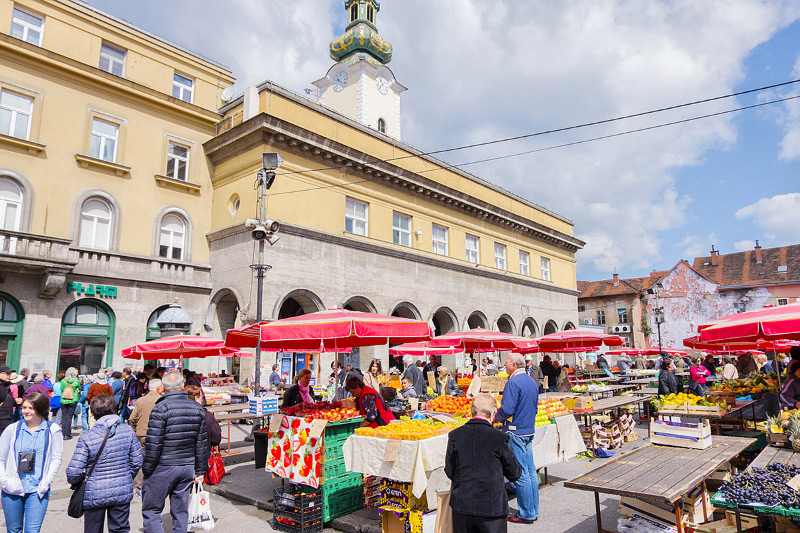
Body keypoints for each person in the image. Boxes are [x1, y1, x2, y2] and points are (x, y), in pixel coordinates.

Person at [141, 372, 208, 533]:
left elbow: (154, 444)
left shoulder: (161, 408)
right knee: (180, 511)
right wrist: (199, 470)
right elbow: (202, 444)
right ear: (182, 386)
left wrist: (147, 468)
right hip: (186, 466)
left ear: (162, 387)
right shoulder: (197, 408)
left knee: (152, 510)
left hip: (164, 465)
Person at [445, 393, 521, 533]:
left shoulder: (455, 435)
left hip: (462, 506)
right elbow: (514, 473)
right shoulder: (499, 438)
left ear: (471, 412)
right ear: (493, 414)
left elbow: (450, 470)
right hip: (491, 508)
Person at [66, 394, 141, 532]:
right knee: (120, 529)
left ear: (93, 413)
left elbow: (74, 471)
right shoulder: (127, 431)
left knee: (93, 529)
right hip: (121, 489)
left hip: (94, 491)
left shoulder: (87, 437)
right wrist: (125, 476)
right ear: (114, 409)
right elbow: (137, 461)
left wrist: (79, 481)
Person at [0, 392, 62, 533]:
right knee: (13, 530)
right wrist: (4, 481)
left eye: (30, 408)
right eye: (24, 408)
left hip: (37, 489)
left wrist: (46, 482)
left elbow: (56, 458)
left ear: (40, 409)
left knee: (32, 530)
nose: (26, 411)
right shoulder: (13, 429)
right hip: (12, 488)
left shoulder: (52, 430)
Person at [494, 353, 539, 524]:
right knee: (530, 472)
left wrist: (495, 417)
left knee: (520, 474)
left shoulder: (513, 382)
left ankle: (526, 513)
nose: (504, 365)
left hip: (516, 431)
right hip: (528, 430)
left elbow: (506, 409)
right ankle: (533, 510)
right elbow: (534, 407)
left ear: (513, 364)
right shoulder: (531, 381)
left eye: (506, 363)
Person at [128, 379, 163, 496]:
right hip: (158, 435)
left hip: (142, 434)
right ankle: (155, 486)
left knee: (141, 461)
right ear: (158, 388)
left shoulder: (141, 400)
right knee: (157, 460)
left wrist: (135, 430)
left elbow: (132, 419)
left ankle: (140, 487)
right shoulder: (162, 400)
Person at [185, 386, 221, 458]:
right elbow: (216, 437)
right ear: (196, 398)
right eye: (201, 396)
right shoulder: (207, 415)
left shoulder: (174, 414)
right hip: (202, 457)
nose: (202, 398)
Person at [58, 368, 81, 441]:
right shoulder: (76, 381)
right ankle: (67, 434)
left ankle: (63, 433)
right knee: (69, 417)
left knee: (64, 416)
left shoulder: (63, 381)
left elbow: (62, 389)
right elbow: (79, 389)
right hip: (73, 400)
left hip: (64, 400)